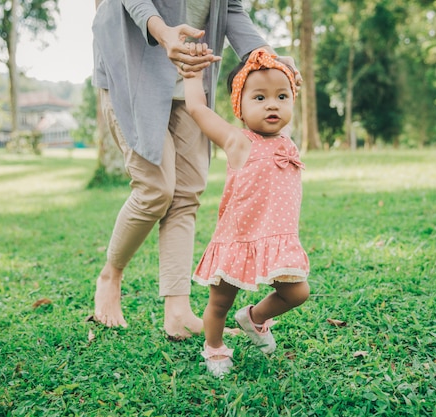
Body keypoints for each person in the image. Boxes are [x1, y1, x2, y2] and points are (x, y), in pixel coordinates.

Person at [90, 0, 300, 339]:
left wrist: (267, 55)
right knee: (156, 189)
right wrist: (161, 31)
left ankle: (178, 313)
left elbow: (230, 7)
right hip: (134, 63)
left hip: (191, 73)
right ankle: (111, 275)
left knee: (187, 192)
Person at [184, 47, 311, 377]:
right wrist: (191, 75)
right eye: (259, 98)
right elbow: (197, 109)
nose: (272, 104)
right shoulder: (237, 141)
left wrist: (286, 64)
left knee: (298, 292)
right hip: (237, 240)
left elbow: (286, 80)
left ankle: (253, 318)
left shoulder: (288, 141)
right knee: (220, 303)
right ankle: (214, 349)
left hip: (277, 242)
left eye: (282, 97)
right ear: (238, 107)